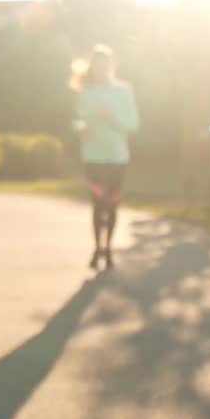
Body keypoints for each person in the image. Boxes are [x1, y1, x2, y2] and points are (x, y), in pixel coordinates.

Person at [70, 44, 139, 271]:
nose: (102, 68)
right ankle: (96, 247)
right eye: (97, 64)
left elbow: (133, 124)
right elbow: (76, 119)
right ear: (93, 67)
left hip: (117, 157)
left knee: (112, 205)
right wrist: (80, 128)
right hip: (93, 156)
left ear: (113, 65)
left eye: (106, 64)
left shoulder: (124, 91)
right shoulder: (86, 92)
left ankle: (108, 248)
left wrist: (112, 118)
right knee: (98, 204)